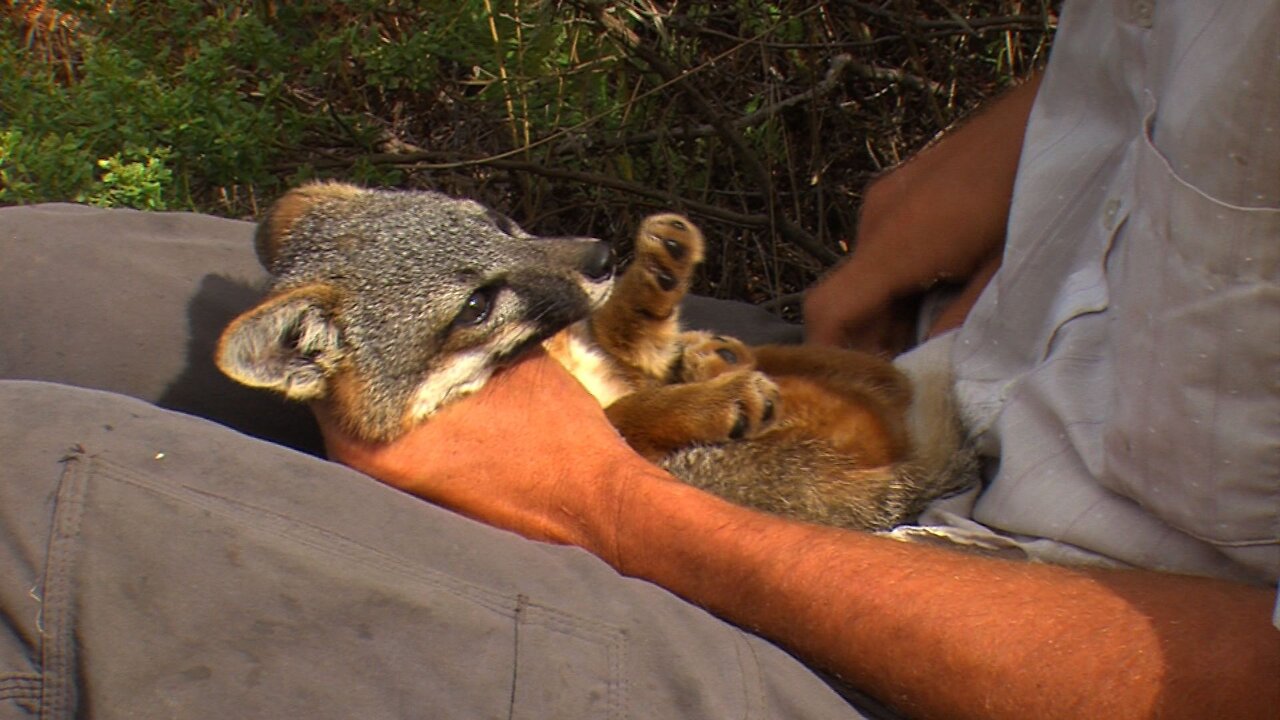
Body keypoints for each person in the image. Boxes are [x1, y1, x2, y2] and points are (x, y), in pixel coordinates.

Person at [1, 3, 1276, 720]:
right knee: (32, 279)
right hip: (943, 389)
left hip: (992, 634)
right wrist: (1014, 168)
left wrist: (603, 506)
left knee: (26, 503)